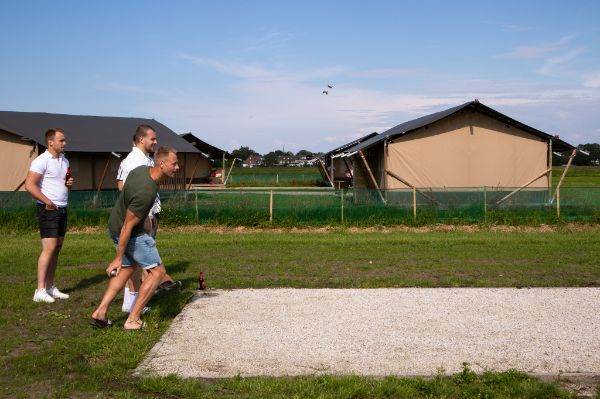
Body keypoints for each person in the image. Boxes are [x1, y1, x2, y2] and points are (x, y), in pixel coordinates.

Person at [91, 146, 179, 330]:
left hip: (114, 224)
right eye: (174, 164)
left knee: (127, 269)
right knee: (158, 272)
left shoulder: (140, 171)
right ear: (161, 164)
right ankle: (133, 319)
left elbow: (126, 203)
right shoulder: (147, 191)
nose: (177, 167)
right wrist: (117, 258)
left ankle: (100, 312)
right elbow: (128, 226)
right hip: (129, 232)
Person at [116, 124, 180, 313]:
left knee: (139, 261)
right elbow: (124, 187)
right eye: (152, 139)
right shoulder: (133, 160)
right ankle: (132, 303)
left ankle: (135, 298)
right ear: (141, 139)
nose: (155, 142)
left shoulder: (145, 158)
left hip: (149, 212)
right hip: (143, 214)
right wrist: (143, 213)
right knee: (137, 260)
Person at [25, 128, 74, 303]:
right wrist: (46, 201)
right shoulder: (41, 160)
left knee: (57, 248)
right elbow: (29, 185)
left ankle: (50, 286)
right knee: (49, 248)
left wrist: (68, 183)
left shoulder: (65, 160)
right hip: (48, 210)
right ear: (50, 142)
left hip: (62, 208)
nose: (65, 143)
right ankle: (40, 290)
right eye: (61, 140)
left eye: (64, 140)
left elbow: (63, 182)